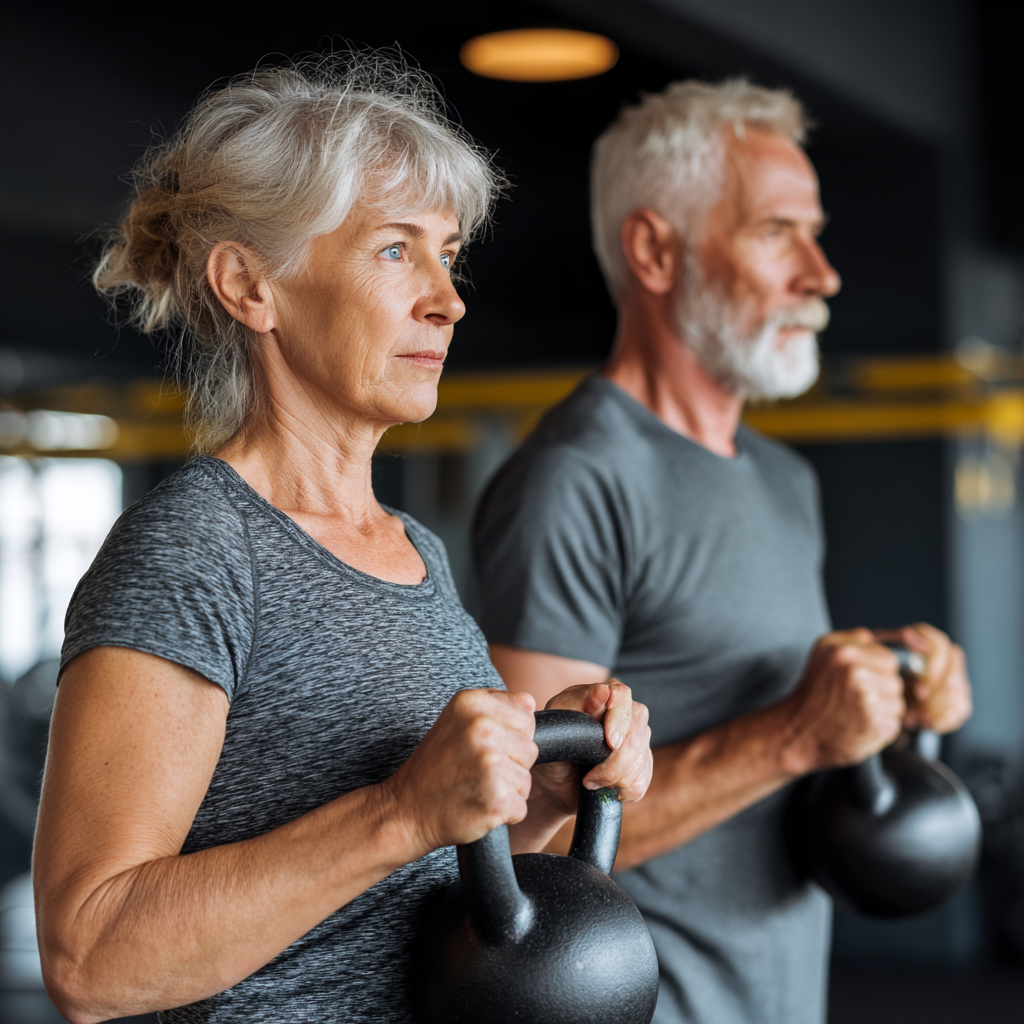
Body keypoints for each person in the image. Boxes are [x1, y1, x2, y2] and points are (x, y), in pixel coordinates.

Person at [31, 57, 653, 1024]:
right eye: (395, 250)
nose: (447, 299)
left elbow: (410, 887)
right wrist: (400, 809)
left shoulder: (410, 551)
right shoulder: (194, 550)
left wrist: (539, 795)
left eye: (450, 255)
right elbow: (90, 955)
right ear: (250, 285)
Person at [472, 79, 973, 1024]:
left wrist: (895, 713)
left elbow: (783, 744)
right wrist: (795, 732)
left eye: (814, 233)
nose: (821, 273)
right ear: (655, 250)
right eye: (778, 231)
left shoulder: (783, 478)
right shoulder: (574, 478)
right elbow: (526, 847)